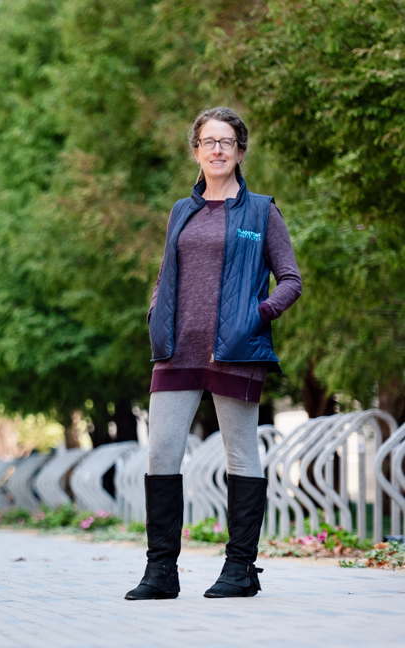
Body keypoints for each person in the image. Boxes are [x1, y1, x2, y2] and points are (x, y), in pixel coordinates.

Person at [127, 107, 301, 602]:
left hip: (236, 350)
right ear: (197, 150)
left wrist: (257, 315)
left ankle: (240, 569)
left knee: (240, 452)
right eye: (209, 141)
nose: (218, 149)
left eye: (227, 141)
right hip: (176, 350)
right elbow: (167, 272)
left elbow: (291, 279)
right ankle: (161, 571)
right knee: (161, 451)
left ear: (240, 152)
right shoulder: (181, 211)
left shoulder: (261, 210)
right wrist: (156, 311)